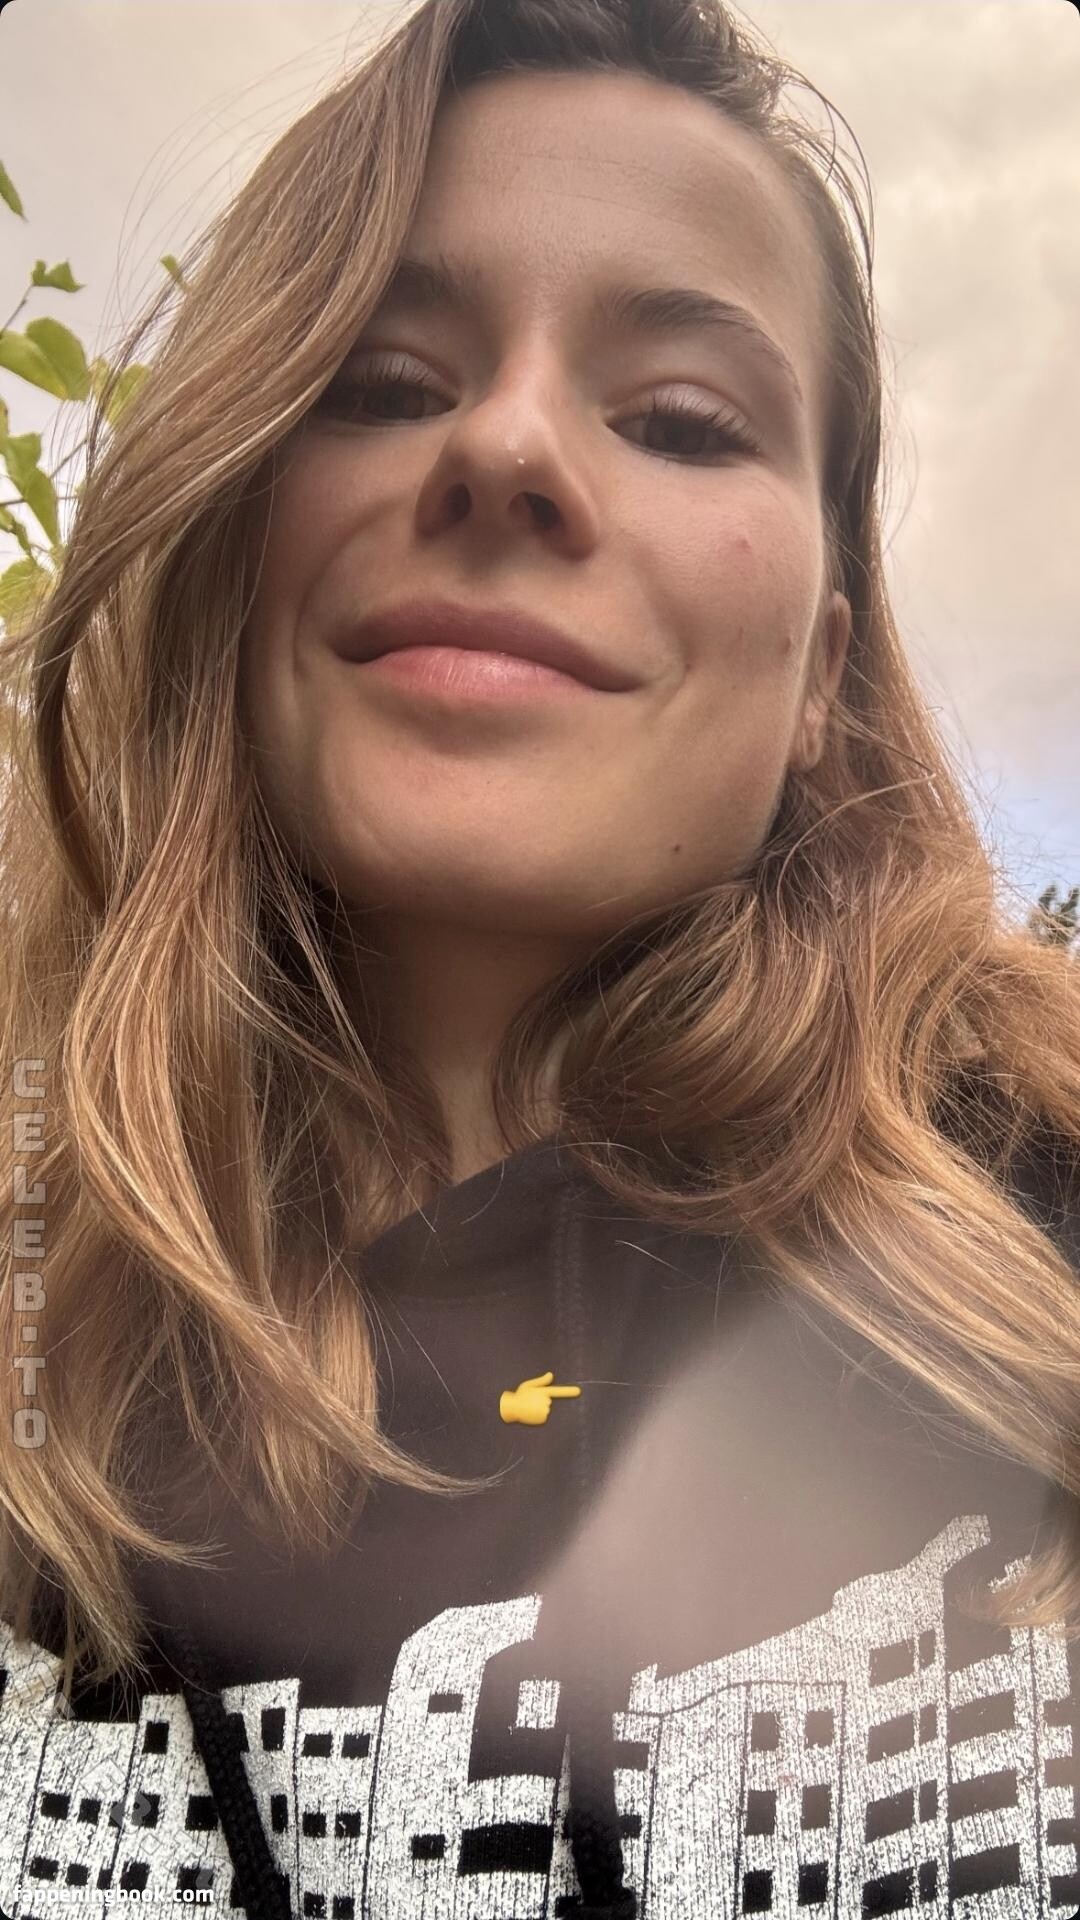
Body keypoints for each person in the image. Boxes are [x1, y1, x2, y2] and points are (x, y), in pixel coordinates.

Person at [1, 0, 1078, 1915]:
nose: (502, 445)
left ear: (822, 675)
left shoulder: (1044, 1245)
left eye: (679, 419)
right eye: (382, 380)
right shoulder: (44, 1380)